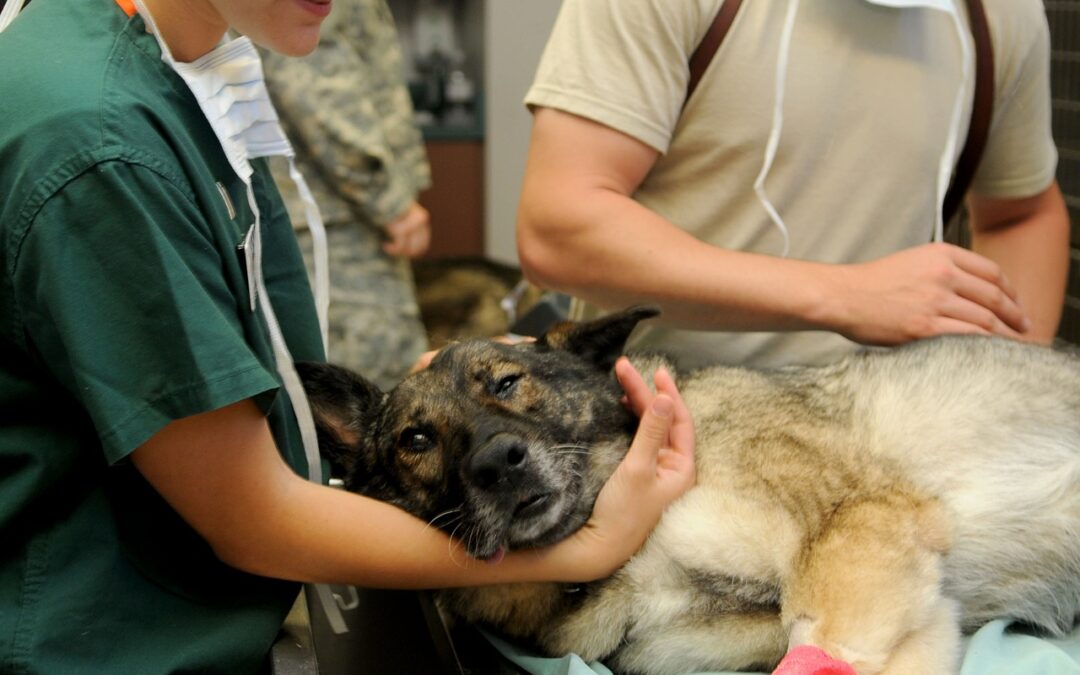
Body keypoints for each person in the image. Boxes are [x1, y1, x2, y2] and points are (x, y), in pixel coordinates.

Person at [0, 0, 696, 672]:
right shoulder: (100, 145)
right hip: (108, 643)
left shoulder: (190, 64)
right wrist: (588, 547)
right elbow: (252, 516)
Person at [517, 0, 1071, 371]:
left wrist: (1007, 383)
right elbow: (559, 228)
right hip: (663, 434)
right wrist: (845, 295)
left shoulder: (1002, 14)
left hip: (897, 440)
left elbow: (1022, 213)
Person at [261, 0, 432, 391]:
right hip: (335, 220)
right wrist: (390, 202)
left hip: (329, 211)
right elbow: (315, 84)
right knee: (372, 394)